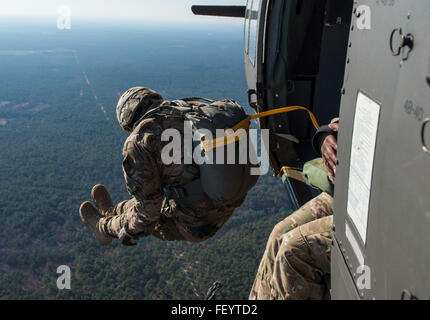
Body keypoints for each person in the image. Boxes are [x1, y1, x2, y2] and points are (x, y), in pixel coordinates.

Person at [79, 87, 256, 246]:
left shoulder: (138, 141)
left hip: (195, 224)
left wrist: (128, 230)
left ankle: (102, 227)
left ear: (128, 121)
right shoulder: (189, 109)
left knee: (141, 210)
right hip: (227, 203)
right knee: (146, 203)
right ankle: (110, 210)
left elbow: (149, 213)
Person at [249, 118, 339, 300]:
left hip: (382, 213)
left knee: (294, 250)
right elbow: (339, 123)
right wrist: (325, 135)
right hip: (349, 192)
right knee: (278, 234)